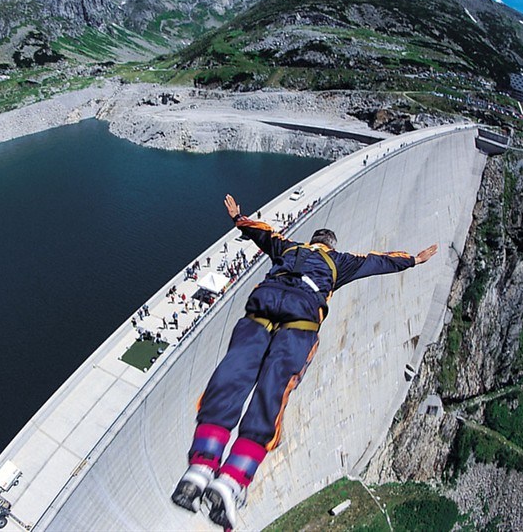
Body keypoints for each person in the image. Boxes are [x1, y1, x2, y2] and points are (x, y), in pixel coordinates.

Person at [172, 194, 437, 528]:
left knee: (231, 375)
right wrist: (412, 260)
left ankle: (200, 466)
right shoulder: (340, 261)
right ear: (332, 244)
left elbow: (262, 233)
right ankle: (232, 478)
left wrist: (238, 218)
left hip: (259, 312)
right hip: (299, 324)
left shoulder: (289, 248)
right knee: (273, 391)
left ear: (314, 240)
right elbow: (378, 262)